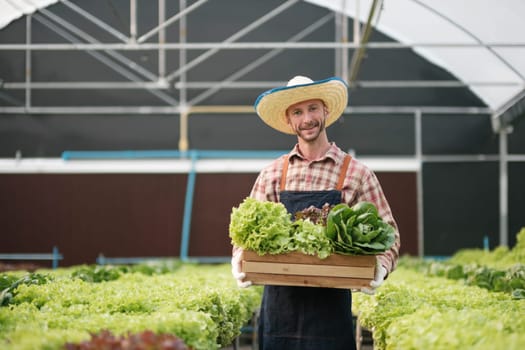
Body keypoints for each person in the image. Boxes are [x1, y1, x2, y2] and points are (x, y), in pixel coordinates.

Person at [231, 75, 400, 350]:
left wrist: (380, 266)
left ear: (326, 111)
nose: (306, 118)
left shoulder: (357, 174)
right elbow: (245, 235)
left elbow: (389, 233)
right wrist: (240, 259)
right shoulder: (272, 174)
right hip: (279, 316)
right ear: (289, 120)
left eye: (312, 109)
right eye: (297, 112)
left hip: (331, 319)